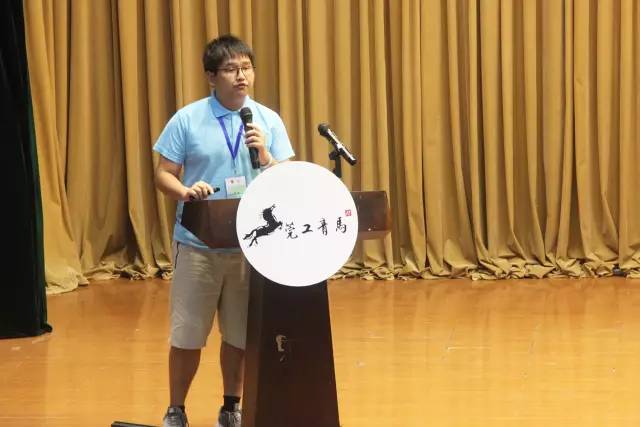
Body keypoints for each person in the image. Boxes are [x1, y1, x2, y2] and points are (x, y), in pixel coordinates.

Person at [153, 34, 295, 427]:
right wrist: (185, 192)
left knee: (240, 335)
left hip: (251, 247)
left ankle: (231, 406)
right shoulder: (187, 119)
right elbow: (164, 174)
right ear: (212, 77)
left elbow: (288, 177)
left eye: (246, 67)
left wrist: (266, 157)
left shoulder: (267, 120)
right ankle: (176, 409)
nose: (241, 76)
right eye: (231, 69)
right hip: (198, 244)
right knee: (187, 334)